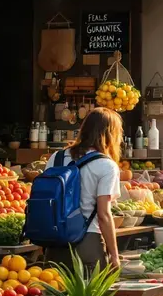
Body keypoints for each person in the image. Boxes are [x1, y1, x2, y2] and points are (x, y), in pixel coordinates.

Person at [43, 108, 124, 269]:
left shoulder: (56, 158)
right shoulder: (106, 165)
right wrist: (114, 255)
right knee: (90, 293)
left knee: (54, 293)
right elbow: (103, 215)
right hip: (87, 243)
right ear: (111, 134)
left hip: (54, 244)